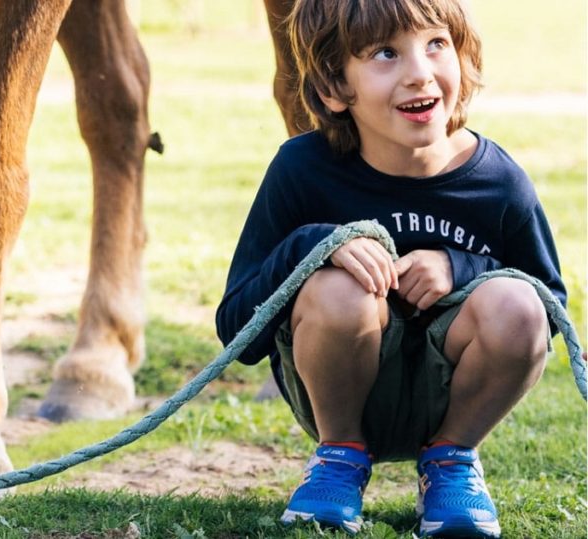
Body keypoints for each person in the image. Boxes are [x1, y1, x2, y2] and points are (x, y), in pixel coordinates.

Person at [214, 0, 566, 536]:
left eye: (436, 44)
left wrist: (460, 267)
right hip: (338, 394)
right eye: (385, 53)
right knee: (340, 290)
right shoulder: (302, 171)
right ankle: (339, 461)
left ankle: (451, 465)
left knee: (517, 306)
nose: (419, 72)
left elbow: (549, 308)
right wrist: (316, 247)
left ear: (463, 57)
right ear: (334, 87)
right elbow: (236, 329)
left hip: (453, 398)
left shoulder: (498, 181)